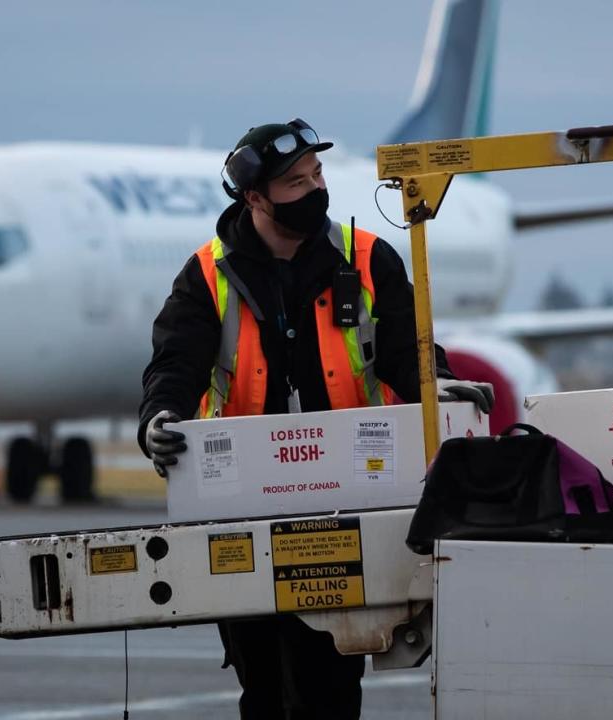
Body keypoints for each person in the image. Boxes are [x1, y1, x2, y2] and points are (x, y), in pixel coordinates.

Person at [138, 118, 493, 719]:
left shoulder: (367, 258)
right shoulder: (206, 275)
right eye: (296, 183)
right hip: (242, 506)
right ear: (254, 198)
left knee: (326, 685)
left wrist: (440, 384)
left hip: (341, 501)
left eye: (317, 175)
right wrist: (160, 418)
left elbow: (408, 352)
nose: (316, 190)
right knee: (263, 689)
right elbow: (176, 364)